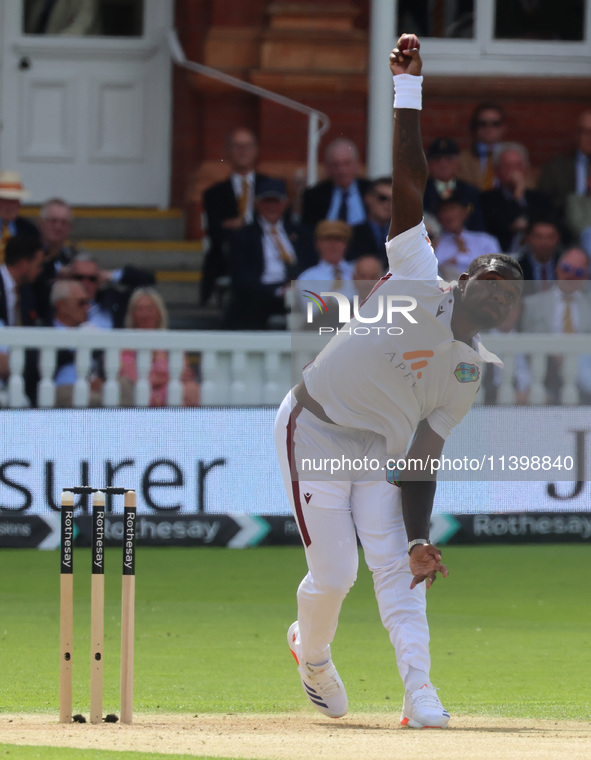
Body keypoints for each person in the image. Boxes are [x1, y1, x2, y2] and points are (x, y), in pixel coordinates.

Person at [275, 34, 523, 729]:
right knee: (335, 576)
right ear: (464, 276)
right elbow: (410, 178)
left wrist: (418, 536)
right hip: (314, 427)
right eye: (491, 282)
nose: (499, 296)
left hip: (379, 456)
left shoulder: (469, 371)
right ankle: (312, 656)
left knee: (398, 569)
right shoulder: (417, 272)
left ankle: (419, 694)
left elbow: (422, 455)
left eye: (510, 296)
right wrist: (407, 89)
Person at [224, 178, 314, 330]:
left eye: (276, 201)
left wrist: (295, 287)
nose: (271, 206)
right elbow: (241, 276)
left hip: (298, 291)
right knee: (249, 303)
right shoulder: (243, 236)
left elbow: (310, 265)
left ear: (285, 203)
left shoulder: (302, 234)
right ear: (257, 203)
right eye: (266, 201)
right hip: (262, 292)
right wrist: (278, 291)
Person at [201, 128, 274, 305]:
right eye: (237, 146)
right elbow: (214, 232)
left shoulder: (272, 187)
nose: (243, 151)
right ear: (228, 151)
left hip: (267, 254)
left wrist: (235, 225)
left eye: (248, 146)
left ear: (256, 151)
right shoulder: (214, 193)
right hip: (228, 256)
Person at [520, 247, 591, 404]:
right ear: (557, 269)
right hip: (544, 373)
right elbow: (524, 343)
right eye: (566, 268)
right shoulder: (532, 304)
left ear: (585, 277)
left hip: (584, 375)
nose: (570, 275)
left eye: (578, 273)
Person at [119, 288, 200, 407]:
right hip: (136, 397)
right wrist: (168, 377)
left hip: (169, 395)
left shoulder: (173, 343)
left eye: (150, 309)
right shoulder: (124, 345)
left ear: (159, 312)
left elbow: (184, 375)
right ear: (132, 314)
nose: (145, 314)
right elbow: (132, 379)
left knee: (191, 390)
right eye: (139, 309)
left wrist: (159, 379)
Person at [480, 142, 554, 253]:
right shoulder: (487, 199)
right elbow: (502, 225)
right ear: (497, 171)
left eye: (518, 166)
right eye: (507, 166)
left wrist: (519, 195)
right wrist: (517, 195)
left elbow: (541, 225)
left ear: (525, 169)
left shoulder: (540, 199)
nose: (514, 172)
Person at [65, 252, 155, 329]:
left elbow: (148, 281)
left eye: (92, 278)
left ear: (99, 280)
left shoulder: (112, 300)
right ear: (69, 278)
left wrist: (111, 275)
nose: (85, 283)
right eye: (79, 278)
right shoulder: (58, 303)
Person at [301, 138, 371, 229]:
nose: (341, 170)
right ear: (327, 167)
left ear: (357, 164)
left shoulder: (370, 190)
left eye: (347, 163)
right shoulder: (314, 195)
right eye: (335, 165)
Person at [538, 110, 591, 223]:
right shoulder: (555, 167)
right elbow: (543, 202)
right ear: (576, 135)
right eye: (586, 132)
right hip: (563, 227)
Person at [434, 194, 501, 281]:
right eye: (443, 210)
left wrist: (459, 260)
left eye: (452, 208)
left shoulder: (485, 240)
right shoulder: (435, 245)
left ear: (465, 212)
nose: (448, 215)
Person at [423, 138, 485, 231]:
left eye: (449, 158)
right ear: (428, 163)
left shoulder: (470, 191)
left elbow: (477, 223)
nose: (443, 163)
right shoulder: (421, 192)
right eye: (437, 158)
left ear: (458, 162)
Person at [33, 198, 78, 322]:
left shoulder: (73, 260)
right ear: (40, 223)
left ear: (70, 228)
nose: (58, 227)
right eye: (53, 221)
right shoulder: (29, 257)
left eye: (64, 222)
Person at [457, 103, 507, 191]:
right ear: (475, 127)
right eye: (483, 123)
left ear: (503, 127)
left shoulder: (514, 158)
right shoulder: (462, 159)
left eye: (495, 123)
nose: (489, 128)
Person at [346, 177, 392, 266]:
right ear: (368, 198)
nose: (388, 204)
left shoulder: (405, 234)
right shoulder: (351, 234)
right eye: (382, 198)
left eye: (394, 200)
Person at [0, 171, 40, 262]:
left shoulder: (30, 231)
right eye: (4, 200)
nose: (9, 206)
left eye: (14, 201)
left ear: (19, 203)